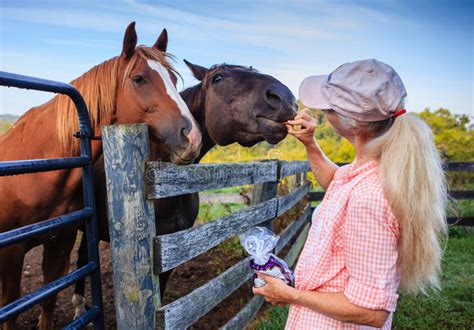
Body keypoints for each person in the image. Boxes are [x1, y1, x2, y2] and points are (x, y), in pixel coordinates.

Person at [252, 59, 448, 329]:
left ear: (351, 124)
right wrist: (311, 144)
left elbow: (372, 311)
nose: (325, 112)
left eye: (329, 108)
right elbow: (337, 183)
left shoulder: (369, 198)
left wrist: (290, 295)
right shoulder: (369, 168)